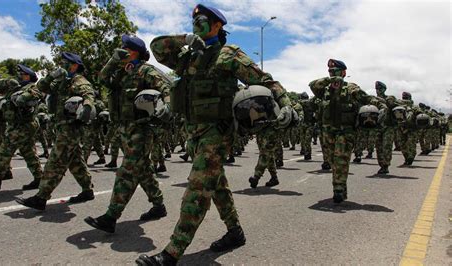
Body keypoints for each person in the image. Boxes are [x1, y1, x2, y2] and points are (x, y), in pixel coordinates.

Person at [136, 4, 292, 265]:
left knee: (197, 189)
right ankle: (235, 232)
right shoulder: (187, 56)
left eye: (203, 21)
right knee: (216, 184)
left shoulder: (228, 54)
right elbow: (157, 48)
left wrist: (286, 103)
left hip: (218, 132)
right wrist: (184, 40)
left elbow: (264, 81)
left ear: (218, 26)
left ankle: (172, 253)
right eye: (194, 22)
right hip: (193, 132)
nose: (197, 24)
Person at [84, 35, 171, 233]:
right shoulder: (121, 73)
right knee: (144, 169)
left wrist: (166, 106)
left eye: (124, 48)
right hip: (124, 128)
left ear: (134, 52)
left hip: (141, 129)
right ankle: (159, 206)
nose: (121, 49)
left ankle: (111, 216)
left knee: (127, 171)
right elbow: (102, 79)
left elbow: (166, 87)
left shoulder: (146, 71)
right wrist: (113, 61)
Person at [15, 52, 96, 210]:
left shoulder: (78, 81)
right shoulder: (63, 82)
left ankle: (41, 197)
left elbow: (89, 94)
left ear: (74, 65)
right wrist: (51, 76)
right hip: (63, 126)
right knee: (76, 162)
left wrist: (87, 106)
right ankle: (87, 190)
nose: (62, 65)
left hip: (71, 128)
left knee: (55, 162)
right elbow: (42, 87)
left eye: (65, 63)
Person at [309, 59, 385, 203]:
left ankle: (338, 189)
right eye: (330, 72)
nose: (332, 74)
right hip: (327, 132)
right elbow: (312, 85)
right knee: (332, 161)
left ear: (343, 73)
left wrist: (381, 105)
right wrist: (328, 80)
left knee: (341, 160)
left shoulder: (351, 88)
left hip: (345, 131)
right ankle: (341, 187)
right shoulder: (324, 90)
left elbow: (366, 98)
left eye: (335, 71)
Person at [0, 64, 44, 190]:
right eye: (19, 74)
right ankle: (39, 178)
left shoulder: (31, 87)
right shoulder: (16, 88)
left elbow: (36, 95)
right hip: (17, 125)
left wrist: (22, 97)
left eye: (22, 75)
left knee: (4, 152)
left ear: (28, 77)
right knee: (29, 153)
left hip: (22, 126)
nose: (20, 76)